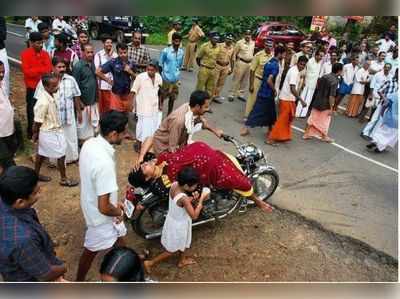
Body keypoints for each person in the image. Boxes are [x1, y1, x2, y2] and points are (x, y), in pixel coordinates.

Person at [130, 142, 274, 213]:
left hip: (206, 157)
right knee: (241, 183)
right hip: (210, 167)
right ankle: (258, 201)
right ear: (148, 178)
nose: (145, 164)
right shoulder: (168, 177)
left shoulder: (159, 162)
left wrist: (143, 158)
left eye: (143, 164)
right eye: (143, 167)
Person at [76, 111, 129, 281]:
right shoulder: (104, 163)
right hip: (100, 218)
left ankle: (131, 267)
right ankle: (78, 282)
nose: (126, 135)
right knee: (90, 251)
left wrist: (115, 207)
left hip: (92, 205)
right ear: (113, 134)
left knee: (119, 240)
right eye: (124, 132)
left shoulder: (90, 143)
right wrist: (118, 212)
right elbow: (104, 207)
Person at [0, 166, 67, 282]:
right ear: (20, 202)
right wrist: (64, 268)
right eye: (36, 192)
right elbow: (45, 274)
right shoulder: (23, 240)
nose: (40, 192)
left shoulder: (6, 198)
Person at [142, 167, 210, 273]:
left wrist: (192, 199)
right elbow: (194, 216)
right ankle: (150, 262)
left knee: (184, 241)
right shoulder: (183, 198)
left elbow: (181, 202)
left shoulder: (175, 184)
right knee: (171, 250)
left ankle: (182, 260)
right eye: (195, 185)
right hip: (179, 225)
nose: (196, 187)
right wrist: (200, 201)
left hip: (174, 220)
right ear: (187, 185)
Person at [135, 90, 223, 161]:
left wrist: (216, 131)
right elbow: (172, 148)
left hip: (179, 142)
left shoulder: (191, 108)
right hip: (163, 147)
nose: (207, 110)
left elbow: (203, 122)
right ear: (197, 106)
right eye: (206, 107)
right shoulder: (179, 121)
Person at [32, 73, 79, 186]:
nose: (57, 87)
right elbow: (37, 121)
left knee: (41, 153)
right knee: (61, 154)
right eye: (53, 86)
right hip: (50, 132)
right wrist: (35, 134)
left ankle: (35, 175)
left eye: (57, 85)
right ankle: (63, 179)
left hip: (51, 131)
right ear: (46, 87)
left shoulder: (53, 94)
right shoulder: (43, 101)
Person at [35, 57, 82, 164]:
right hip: (53, 120)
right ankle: (55, 162)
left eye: (64, 67)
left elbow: (76, 96)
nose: (62, 69)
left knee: (71, 139)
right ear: (53, 67)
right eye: (59, 67)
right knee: (56, 142)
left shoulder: (71, 80)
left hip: (69, 116)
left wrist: (79, 112)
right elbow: (39, 100)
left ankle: (72, 158)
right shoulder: (45, 81)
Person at [240, 46, 286, 137]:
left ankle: (270, 130)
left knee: (271, 113)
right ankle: (246, 128)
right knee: (258, 111)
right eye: (284, 54)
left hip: (263, 90)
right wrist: (274, 89)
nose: (284, 56)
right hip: (267, 93)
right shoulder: (275, 65)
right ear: (280, 54)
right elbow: (269, 80)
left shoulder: (269, 62)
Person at [266, 55, 308, 145]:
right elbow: (292, 88)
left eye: (304, 65)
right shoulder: (294, 72)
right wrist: (301, 100)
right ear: (297, 63)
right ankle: (271, 138)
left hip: (290, 98)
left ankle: (283, 136)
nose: (302, 66)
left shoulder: (297, 71)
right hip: (286, 98)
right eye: (301, 64)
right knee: (282, 119)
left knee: (289, 118)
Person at [21, 32, 52, 139]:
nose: (41, 45)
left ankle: (42, 132)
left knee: (43, 109)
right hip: (32, 87)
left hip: (44, 88)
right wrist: (40, 70)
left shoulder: (45, 54)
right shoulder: (25, 54)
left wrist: (37, 71)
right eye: (38, 43)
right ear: (31, 43)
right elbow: (27, 72)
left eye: (42, 43)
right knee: (31, 110)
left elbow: (48, 70)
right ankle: (31, 132)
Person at [303, 63, 343, 143]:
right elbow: (331, 96)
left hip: (317, 99)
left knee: (313, 117)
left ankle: (306, 133)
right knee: (325, 121)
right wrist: (332, 108)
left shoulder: (325, 76)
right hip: (325, 104)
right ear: (339, 71)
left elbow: (318, 86)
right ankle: (324, 136)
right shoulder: (335, 81)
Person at [96, 42, 136, 114]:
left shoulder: (131, 63)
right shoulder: (113, 62)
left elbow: (136, 78)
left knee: (126, 117)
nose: (123, 55)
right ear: (117, 53)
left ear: (127, 51)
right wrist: (108, 80)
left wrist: (130, 72)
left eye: (125, 52)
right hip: (116, 94)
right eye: (120, 53)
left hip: (127, 94)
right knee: (117, 117)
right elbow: (98, 72)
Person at [131, 61, 163, 151]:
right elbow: (133, 91)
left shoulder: (159, 77)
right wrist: (131, 105)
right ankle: (138, 144)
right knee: (141, 127)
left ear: (156, 70)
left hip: (154, 108)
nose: (150, 72)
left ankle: (147, 145)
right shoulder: (140, 77)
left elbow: (160, 92)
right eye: (148, 69)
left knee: (152, 127)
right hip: (143, 107)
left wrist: (160, 104)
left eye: (152, 70)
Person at [72, 44, 99, 145]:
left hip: (92, 102)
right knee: (82, 126)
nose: (91, 54)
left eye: (92, 52)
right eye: (88, 52)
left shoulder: (92, 64)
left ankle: (89, 144)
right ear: (82, 53)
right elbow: (74, 86)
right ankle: (81, 145)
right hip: (83, 103)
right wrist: (79, 103)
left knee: (91, 125)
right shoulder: (78, 66)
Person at [362, 70, 398, 140]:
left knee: (380, 121)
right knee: (375, 118)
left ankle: (372, 135)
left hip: (391, 106)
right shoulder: (390, 81)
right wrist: (385, 99)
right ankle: (365, 132)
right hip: (383, 103)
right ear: (396, 73)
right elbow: (379, 90)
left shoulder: (398, 84)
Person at [244, 38, 272, 120]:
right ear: (264, 45)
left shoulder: (272, 56)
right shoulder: (258, 55)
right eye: (267, 45)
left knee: (261, 99)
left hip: (266, 82)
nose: (268, 47)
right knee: (252, 98)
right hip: (257, 79)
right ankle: (247, 115)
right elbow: (252, 70)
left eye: (270, 46)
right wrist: (251, 84)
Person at [159, 32, 184, 115]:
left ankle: (169, 114)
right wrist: (160, 78)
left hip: (175, 80)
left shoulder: (181, 52)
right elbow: (160, 64)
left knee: (172, 98)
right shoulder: (165, 51)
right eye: (175, 41)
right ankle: (159, 109)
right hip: (165, 78)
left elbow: (179, 65)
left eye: (179, 42)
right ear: (172, 41)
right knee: (162, 95)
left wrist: (177, 75)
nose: (177, 43)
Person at [295, 49, 324, 118]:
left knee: (309, 99)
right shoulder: (310, 61)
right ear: (316, 55)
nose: (321, 57)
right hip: (307, 83)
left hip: (313, 85)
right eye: (320, 56)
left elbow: (317, 75)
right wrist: (303, 82)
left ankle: (303, 114)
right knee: (303, 98)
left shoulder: (319, 63)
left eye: (322, 56)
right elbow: (304, 72)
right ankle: (298, 113)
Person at [0, 61, 18, 170]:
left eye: (3, 72)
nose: (1, 75)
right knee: (9, 164)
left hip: (8, 130)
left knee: (10, 154)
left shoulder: (2, 85)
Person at [94, 34, 118, 115]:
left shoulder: (115, 55)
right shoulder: (98, 55)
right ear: (103, 43)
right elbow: (97, 71)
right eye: (107, 42)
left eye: (111, 42)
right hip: (102, 87)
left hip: (113, 87)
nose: (109, 44)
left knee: (113, 109)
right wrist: (108, 80)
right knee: (103, 110)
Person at [228, 30, 255, 102]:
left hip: (249, 63)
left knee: (245, 80)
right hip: (241, 62)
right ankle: (231, 94)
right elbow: (234, 54)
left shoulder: (253, 43)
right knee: (236, 79)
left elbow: (253, 53)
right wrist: (233, 65)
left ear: (251, 35)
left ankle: (240, 94)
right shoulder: (239, 43)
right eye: (246, 34)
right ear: (244, 35)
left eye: (249, 34)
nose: (248, 36)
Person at [195, 32, 220, 105]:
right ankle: (196, 104)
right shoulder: (205, 46)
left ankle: (206, 105)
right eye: (214, 39)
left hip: (213, 69)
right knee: (199, 88)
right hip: (204, 68)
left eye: (217, 39)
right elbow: (198, 58)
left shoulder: (218, 47)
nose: (216, 40)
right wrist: (201, 66)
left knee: (210, 89)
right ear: (210, 38)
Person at [213, 33, 235, 102]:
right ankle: (210, 96)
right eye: (228, 39)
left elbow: (232, 59)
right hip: (217, 65)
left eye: (231, 39)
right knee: (214, 81)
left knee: (221, 83)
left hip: (226, 67)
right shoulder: (219, 45)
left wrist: (231, 68)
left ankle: (216, 96)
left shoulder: (232, 48)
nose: (229, 40)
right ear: (225, 39)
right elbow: (214, 55)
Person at [0, 17, 10, 97]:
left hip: (0, 50)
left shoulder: (1, 19)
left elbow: (3, 36)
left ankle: (5, 102)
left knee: (4, 75)